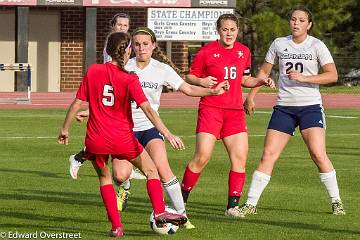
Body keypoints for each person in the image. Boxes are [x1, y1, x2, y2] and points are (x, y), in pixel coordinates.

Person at [75, 27, 229, 229]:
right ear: (131, 47)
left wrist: (212, 91)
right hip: (125, 131)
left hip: (149, 128)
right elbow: (107, 98)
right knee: (120, 175)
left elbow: (188, 88)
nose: (141, 48)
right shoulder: (124, 67)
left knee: (162, 169)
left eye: (146, 44)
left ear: (154, 45)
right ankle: (125, 187)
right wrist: (89, 111)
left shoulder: (161, 69)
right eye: (137, 44)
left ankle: (182, 215)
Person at [57, 32, 187, 238]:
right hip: (122, 139)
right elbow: (148, 110)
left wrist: (65, 129)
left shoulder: (93, 70)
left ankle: (117, 227)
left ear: (107, 49)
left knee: (105, 179)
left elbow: (76, 104)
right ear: (127, 51)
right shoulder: (129, 78)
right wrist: (167, 133)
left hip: (96, 140)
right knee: (152, 171)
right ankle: (160, 211)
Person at [240, 5, 345, 216]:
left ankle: (337, 202)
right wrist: (251, 95)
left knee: (318, 154)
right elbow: (264, 72)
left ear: (309, 25)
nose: (296, 23)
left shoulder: (317, 45)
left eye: (301, 20)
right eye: (293, 19)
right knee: (268, 155)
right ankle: (250, 205)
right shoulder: (279, 43)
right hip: (284, 108)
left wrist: (306, 78)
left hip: (310, 108)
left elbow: (332, 75)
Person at [179, 13, 276, 218]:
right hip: (211, 109)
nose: (229, 33)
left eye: (233, 29)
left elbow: (245, 79)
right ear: (218, 30)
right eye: (225, 29)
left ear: (237, 30)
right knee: (202, 157)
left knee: (240, 159)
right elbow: (190, 76)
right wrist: (202, 81)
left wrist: (261, 81)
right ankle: (180, 201)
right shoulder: (207, 52)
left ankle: (232, 207)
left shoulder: (244, 52)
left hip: (234, 112)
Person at [70, 12, 146, 181]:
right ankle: (79, 157)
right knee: (112, 135)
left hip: (119, 93)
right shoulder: (111, 47)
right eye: (119, 25)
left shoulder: (125, 45)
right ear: (113, 26)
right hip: (114, 96)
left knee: (119, 134)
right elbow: (108, 80)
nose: (123, 28)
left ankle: (125, 166)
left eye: (126, 25)